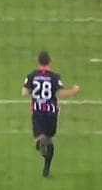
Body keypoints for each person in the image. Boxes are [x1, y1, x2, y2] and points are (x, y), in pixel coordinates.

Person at [21, 50, 81, 178]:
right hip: (51, 112)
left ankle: (40, 142)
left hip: (38, 111)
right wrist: (74, 91)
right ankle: (46, 170)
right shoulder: (54, 77)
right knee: (50, 140)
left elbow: (24, 93)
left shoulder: (32, 76)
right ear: (50, 62)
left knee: (40, 137)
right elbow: (61, 93)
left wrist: (35, 92)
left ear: (38, 61)